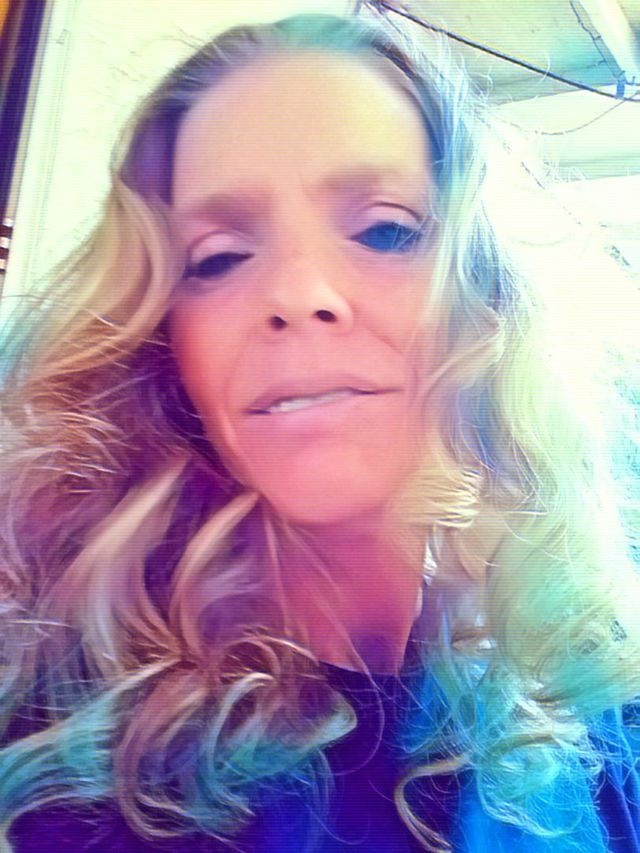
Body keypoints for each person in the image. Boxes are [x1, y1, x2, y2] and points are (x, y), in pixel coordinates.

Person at [0, 9, 639, 853]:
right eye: (219, 256)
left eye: (385, 230)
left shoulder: (588, 704)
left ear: (483, 304)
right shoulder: (84, 765)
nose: (298, 293)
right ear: (169, 348)